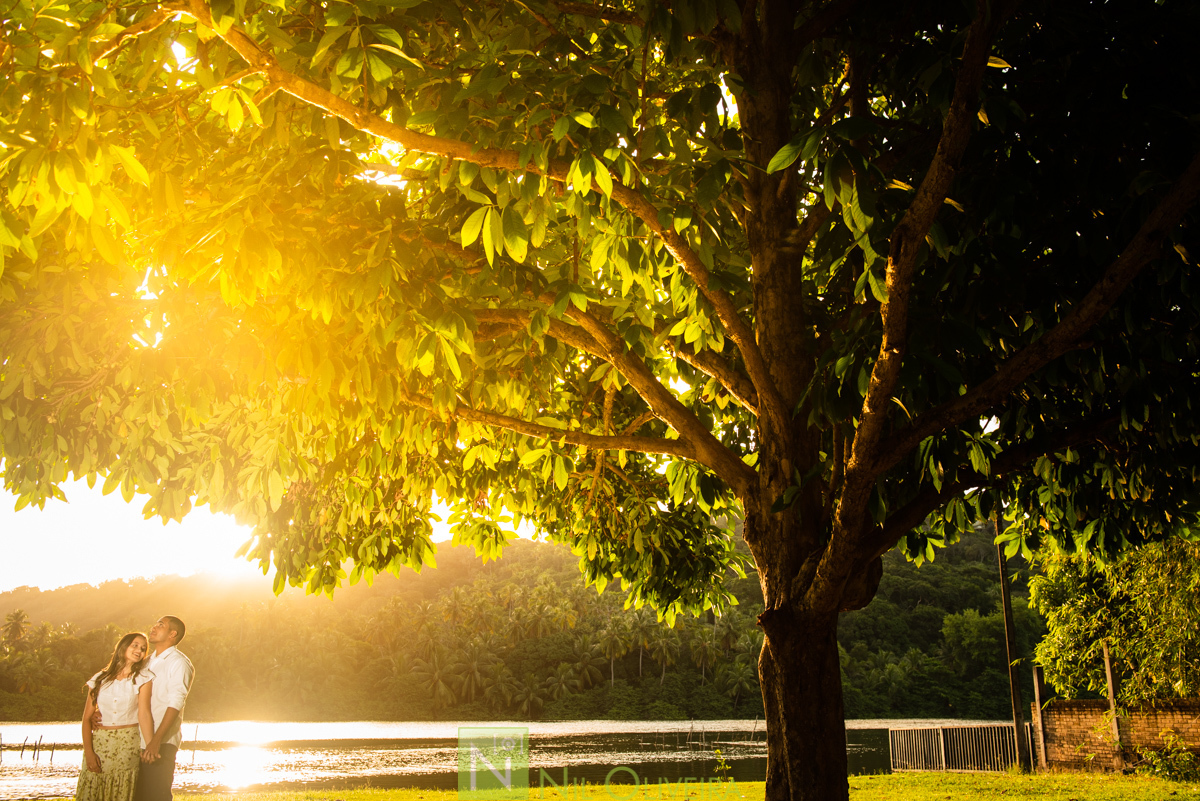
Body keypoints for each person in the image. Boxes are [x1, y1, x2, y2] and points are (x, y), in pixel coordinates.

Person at [76, 632, 155, 801]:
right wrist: (89, 753)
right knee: (93, 789)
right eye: (134, 645)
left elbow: (144, 714)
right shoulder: (99, 679)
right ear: (123, 647)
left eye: (143, 648)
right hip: (100, 743)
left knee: (121, 790)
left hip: (127, 744)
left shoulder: (143, 678)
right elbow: (86, 719)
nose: (139, 650)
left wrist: (150, 746)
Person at [134, 616, 195, 801]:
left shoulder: (179, 663)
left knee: (156, 796)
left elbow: (176, 703)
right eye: (155, 623)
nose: (154, 627)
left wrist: (155, 741)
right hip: (136, 741)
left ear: (172, 634)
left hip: (161, 743)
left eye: (161, 625)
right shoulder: (145, 662)